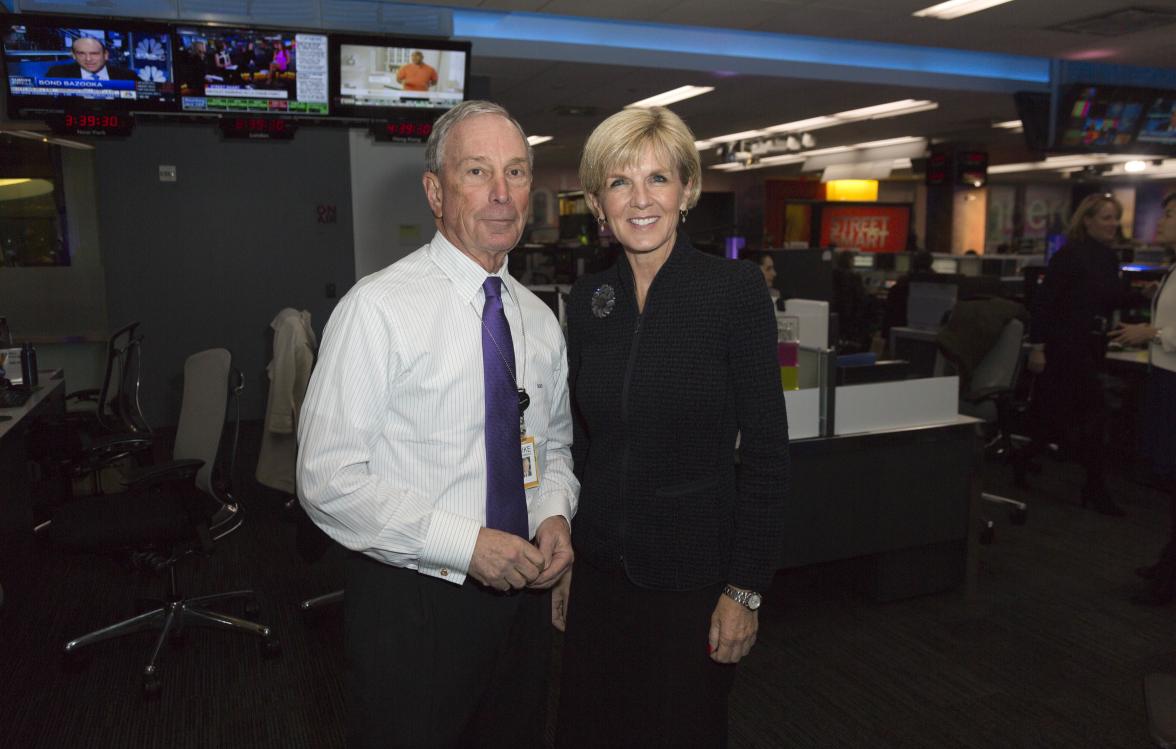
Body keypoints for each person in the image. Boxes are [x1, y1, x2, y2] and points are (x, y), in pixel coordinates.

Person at [297, 100, 578, 748]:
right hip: (416, 599)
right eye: (478, 172)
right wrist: (464, 543)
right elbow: (325, 478)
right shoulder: (377, 310)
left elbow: (553, 442)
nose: (502, 194)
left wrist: (555, 512)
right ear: (435, 190)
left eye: (516, 172)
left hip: (524, 598)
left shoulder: (539, 319)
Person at [555, 106, 789, 747]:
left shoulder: (733, 291)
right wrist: (569, 559)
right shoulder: (588, 300)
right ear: (598, 202)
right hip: (599, 572)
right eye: (620, 182)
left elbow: (768, 452)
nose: (640, 200)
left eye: (658, 179)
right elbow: (581, 441)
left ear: (687, 192)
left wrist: (746, 589)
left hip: (692, 578)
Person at [1025, 193, 1127, 516]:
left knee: (1055, 416)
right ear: (1087, 220)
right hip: (1066, 347)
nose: (1113, 224)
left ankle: (1024, 459)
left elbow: (1108, 299)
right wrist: (1037, 348)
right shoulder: (1069, 256)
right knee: (1093, 414)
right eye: (1106, 218)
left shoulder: (1109, 258)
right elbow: (1044, 304)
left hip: (1093, 345)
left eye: (1115, 218)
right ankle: (1095, 488)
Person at [1110, 192, 1176, 603]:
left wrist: (1153, 334)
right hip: (1166, 379)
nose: (1161, 221)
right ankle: (1168, 566)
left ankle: (1168, 577)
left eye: (1169, 214)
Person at [46, 37, 137, 81]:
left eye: (94, 53)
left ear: (105, 55)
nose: (88, 59)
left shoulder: (127, 76)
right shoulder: (57, 74)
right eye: (81, 54)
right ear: (74, 55)